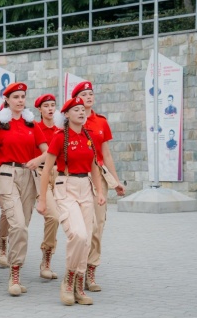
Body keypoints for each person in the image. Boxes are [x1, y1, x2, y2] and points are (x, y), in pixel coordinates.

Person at [36, 97, 106, 306]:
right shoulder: (60, 137)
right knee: (77, 234)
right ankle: (68, 280)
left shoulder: (88, 136)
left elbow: (94, 166)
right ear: (66, 114)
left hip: (86, 188)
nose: (81, 112)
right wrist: (42, 200)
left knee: (86, 239)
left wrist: (99, 191)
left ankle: (78, 285)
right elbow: (46, 171)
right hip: (66, 187)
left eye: (82, 109)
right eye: (76, 109)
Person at [0, 82, 48, 296]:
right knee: (18, 225)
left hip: (28, 176)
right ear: (7, 100)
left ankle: (15, 269)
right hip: (6, 175)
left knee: (23, 227)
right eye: (16, 97)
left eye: (22, 96)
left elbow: (48, 152)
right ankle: (14, 274)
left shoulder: (32, 124)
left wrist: (37, 160)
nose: (20, 100)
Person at [72, 81, 125, 292]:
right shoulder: (70, 121)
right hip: (76, 177)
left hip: (98, 178)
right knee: (80, 228)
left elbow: (107, 154)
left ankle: (90, 271)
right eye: (84, 94)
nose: (88, 97)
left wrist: (116, 181)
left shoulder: (101, 122)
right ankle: (76, 270)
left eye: (91, 93)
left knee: (97, 226)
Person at [34, 93, 61, 280]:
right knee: (53, 216)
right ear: (39, 109)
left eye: (52, 105)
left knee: (57, 219)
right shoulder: (35, 128)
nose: (50, 109)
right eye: (46, 106)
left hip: (60, 175)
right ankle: (45, 259)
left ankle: (48, 259)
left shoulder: (61, 130)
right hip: (40, 173)